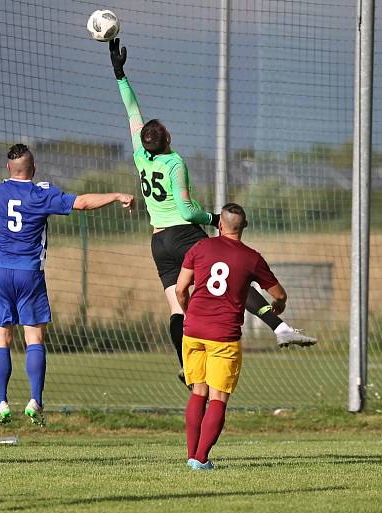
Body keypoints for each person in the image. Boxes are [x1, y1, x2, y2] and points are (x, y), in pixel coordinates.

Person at [107, 38, 316, 383]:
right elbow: (188, 211)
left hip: (158, 242)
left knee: (178, 305)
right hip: (183, 233)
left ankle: (186, 366)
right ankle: (280, 328)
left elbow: (132, 112)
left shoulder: (139, 154)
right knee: (233, 272)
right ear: (168, 138)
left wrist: (119, 74)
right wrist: (213, 219)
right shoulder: (175, 162)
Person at [0, 143, 134, 426]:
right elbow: (81, 203)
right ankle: (34, 400)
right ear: (33, 169)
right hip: (29, 274)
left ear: (8, 169)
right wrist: (116, 195)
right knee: (34, 339)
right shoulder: (41, 193)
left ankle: (1, 403)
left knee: (1, 340)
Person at [175, 203, 287, 469]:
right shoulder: (251, 258)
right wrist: (278, 308)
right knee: (218, 397)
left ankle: (192, 455)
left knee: (197, 393)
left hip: (192, 331)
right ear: (244, 227)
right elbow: (279, 294)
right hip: (223, 335)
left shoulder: (200, 248)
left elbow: (180, 289)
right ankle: (201, 460)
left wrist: (190, 314)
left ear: (220, 225)